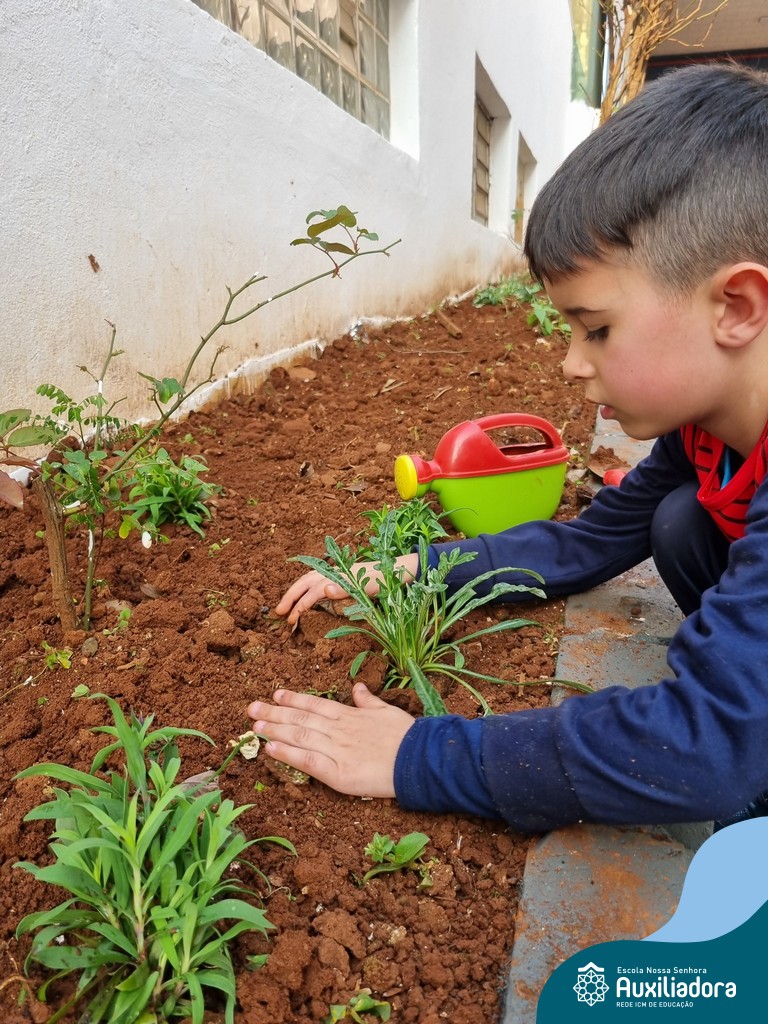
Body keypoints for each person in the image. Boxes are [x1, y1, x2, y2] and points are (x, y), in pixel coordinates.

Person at [248, 61, 768, 834]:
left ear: (737, 306)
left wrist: (420, 756)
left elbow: (699, 748)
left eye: (597, 329)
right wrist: (419, 571)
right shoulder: (702, 432)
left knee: (726, 739)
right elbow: (588, 542)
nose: (572, 363)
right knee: (680, 520)